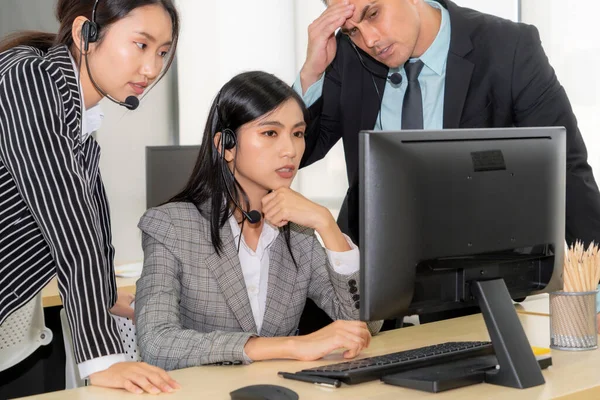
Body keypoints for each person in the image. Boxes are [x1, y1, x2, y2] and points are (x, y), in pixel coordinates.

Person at [294, 0, 600, 327]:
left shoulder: (507, 47)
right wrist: (312, 71)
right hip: (368, 288)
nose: (369, 40)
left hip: (474, 287)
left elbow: (565, 169)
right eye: (352, 29)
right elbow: (299, 152)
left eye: (373, 13)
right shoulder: (347, 56)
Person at [134, 71, 382, 371]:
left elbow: (365, 323)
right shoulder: (171, 225)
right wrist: (291, 346)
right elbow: (156, 342)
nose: (290, 150)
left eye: (298, 133)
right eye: (270, 133)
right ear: (225, 145)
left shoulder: (300, 229)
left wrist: (327, 224)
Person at [0, 0, 180, 394]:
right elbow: (69, 219)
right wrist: (103, 358)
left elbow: (88, 207)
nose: (151, 69)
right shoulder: (30, 78)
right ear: (86, 33)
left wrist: (104, 292)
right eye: (140, 45)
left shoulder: (72, 107)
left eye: (163, 52)